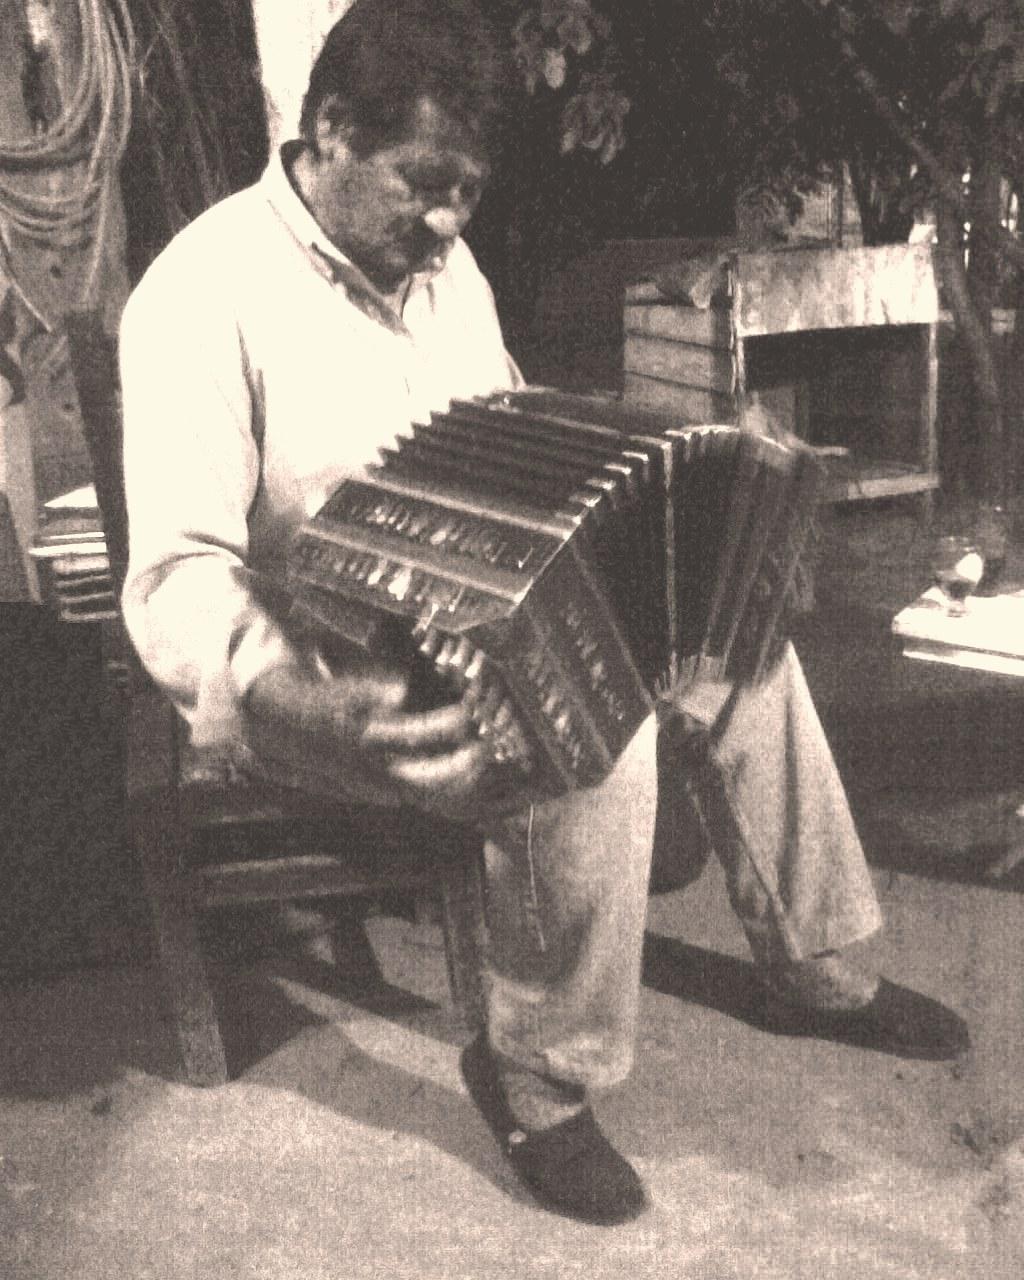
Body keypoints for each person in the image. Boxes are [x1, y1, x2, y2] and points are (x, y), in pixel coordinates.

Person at [119, 0, 968, 1227]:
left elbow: (513, 426)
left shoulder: (443, 267)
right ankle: (534, 1075)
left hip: (474, 616)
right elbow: (175, 582)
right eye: (424, 186)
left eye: (466, 195)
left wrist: (714, 505)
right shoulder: (200, 294)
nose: (448, 226)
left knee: (735, 645)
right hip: (324, 674)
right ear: (331, 130)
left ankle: (814, 964)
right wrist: (306, 697)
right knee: (589, 727)